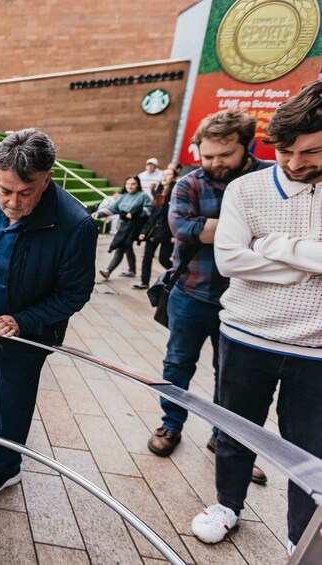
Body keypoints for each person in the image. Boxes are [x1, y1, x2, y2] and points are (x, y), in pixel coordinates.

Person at [191, 81, 322, 553]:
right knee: (234, 427)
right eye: (285, 150)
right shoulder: (247, 188)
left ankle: (300, 537)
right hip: (246, 334)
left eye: (310, 151)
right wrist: (310, 263)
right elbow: (229, 260)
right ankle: (227, 505)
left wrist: (272, 245)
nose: (294, 163)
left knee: (311, 452)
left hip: (316, 350)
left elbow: (250, 254)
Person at [0, 129, 97, 495]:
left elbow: (75, 293)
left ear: (48, 178)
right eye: (5, 190)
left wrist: (22, 320)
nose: (12, 203)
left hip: (28, 333)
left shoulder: (76, 225)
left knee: (15, 396)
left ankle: (7, 466)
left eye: (26, 192)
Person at [146, 109, 271, 493]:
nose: (215, 163)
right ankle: (171, 424)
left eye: (225, 155)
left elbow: (284, 231)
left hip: (248, 300)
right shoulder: (189, 183)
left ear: (246, 146)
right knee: (177, 364)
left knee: (233, 376)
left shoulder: (268, 178)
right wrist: (251, 233)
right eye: (208, 155)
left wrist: (213, 229)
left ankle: (226, 438)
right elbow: (181, 228)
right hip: (192, 294)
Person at [92, 175, 150, 280]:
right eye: (128, 184)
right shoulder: (123, 196)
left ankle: (108, 271)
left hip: (135, 226)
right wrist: (99, 213)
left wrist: (135, 213)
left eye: (133, 184)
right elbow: (112, 209)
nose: (130, 186)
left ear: (138, 185)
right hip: (124, 226)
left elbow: (149, 211)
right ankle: (132, 270)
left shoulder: (143, 196)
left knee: (121, 246)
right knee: (127, 247)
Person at [133, 167, 176, 289]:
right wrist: (144, 231)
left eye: (168, 175)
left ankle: (178, 277)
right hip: (154, 231)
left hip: (168, 232)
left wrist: (175, 235)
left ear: (173, 178)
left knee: (164, 259)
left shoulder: (176, 193)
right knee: (147, 257)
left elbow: (177, 215)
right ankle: (144, 282)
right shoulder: (159, 192)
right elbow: (153, 215)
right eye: (163, 175)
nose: (164, 177)